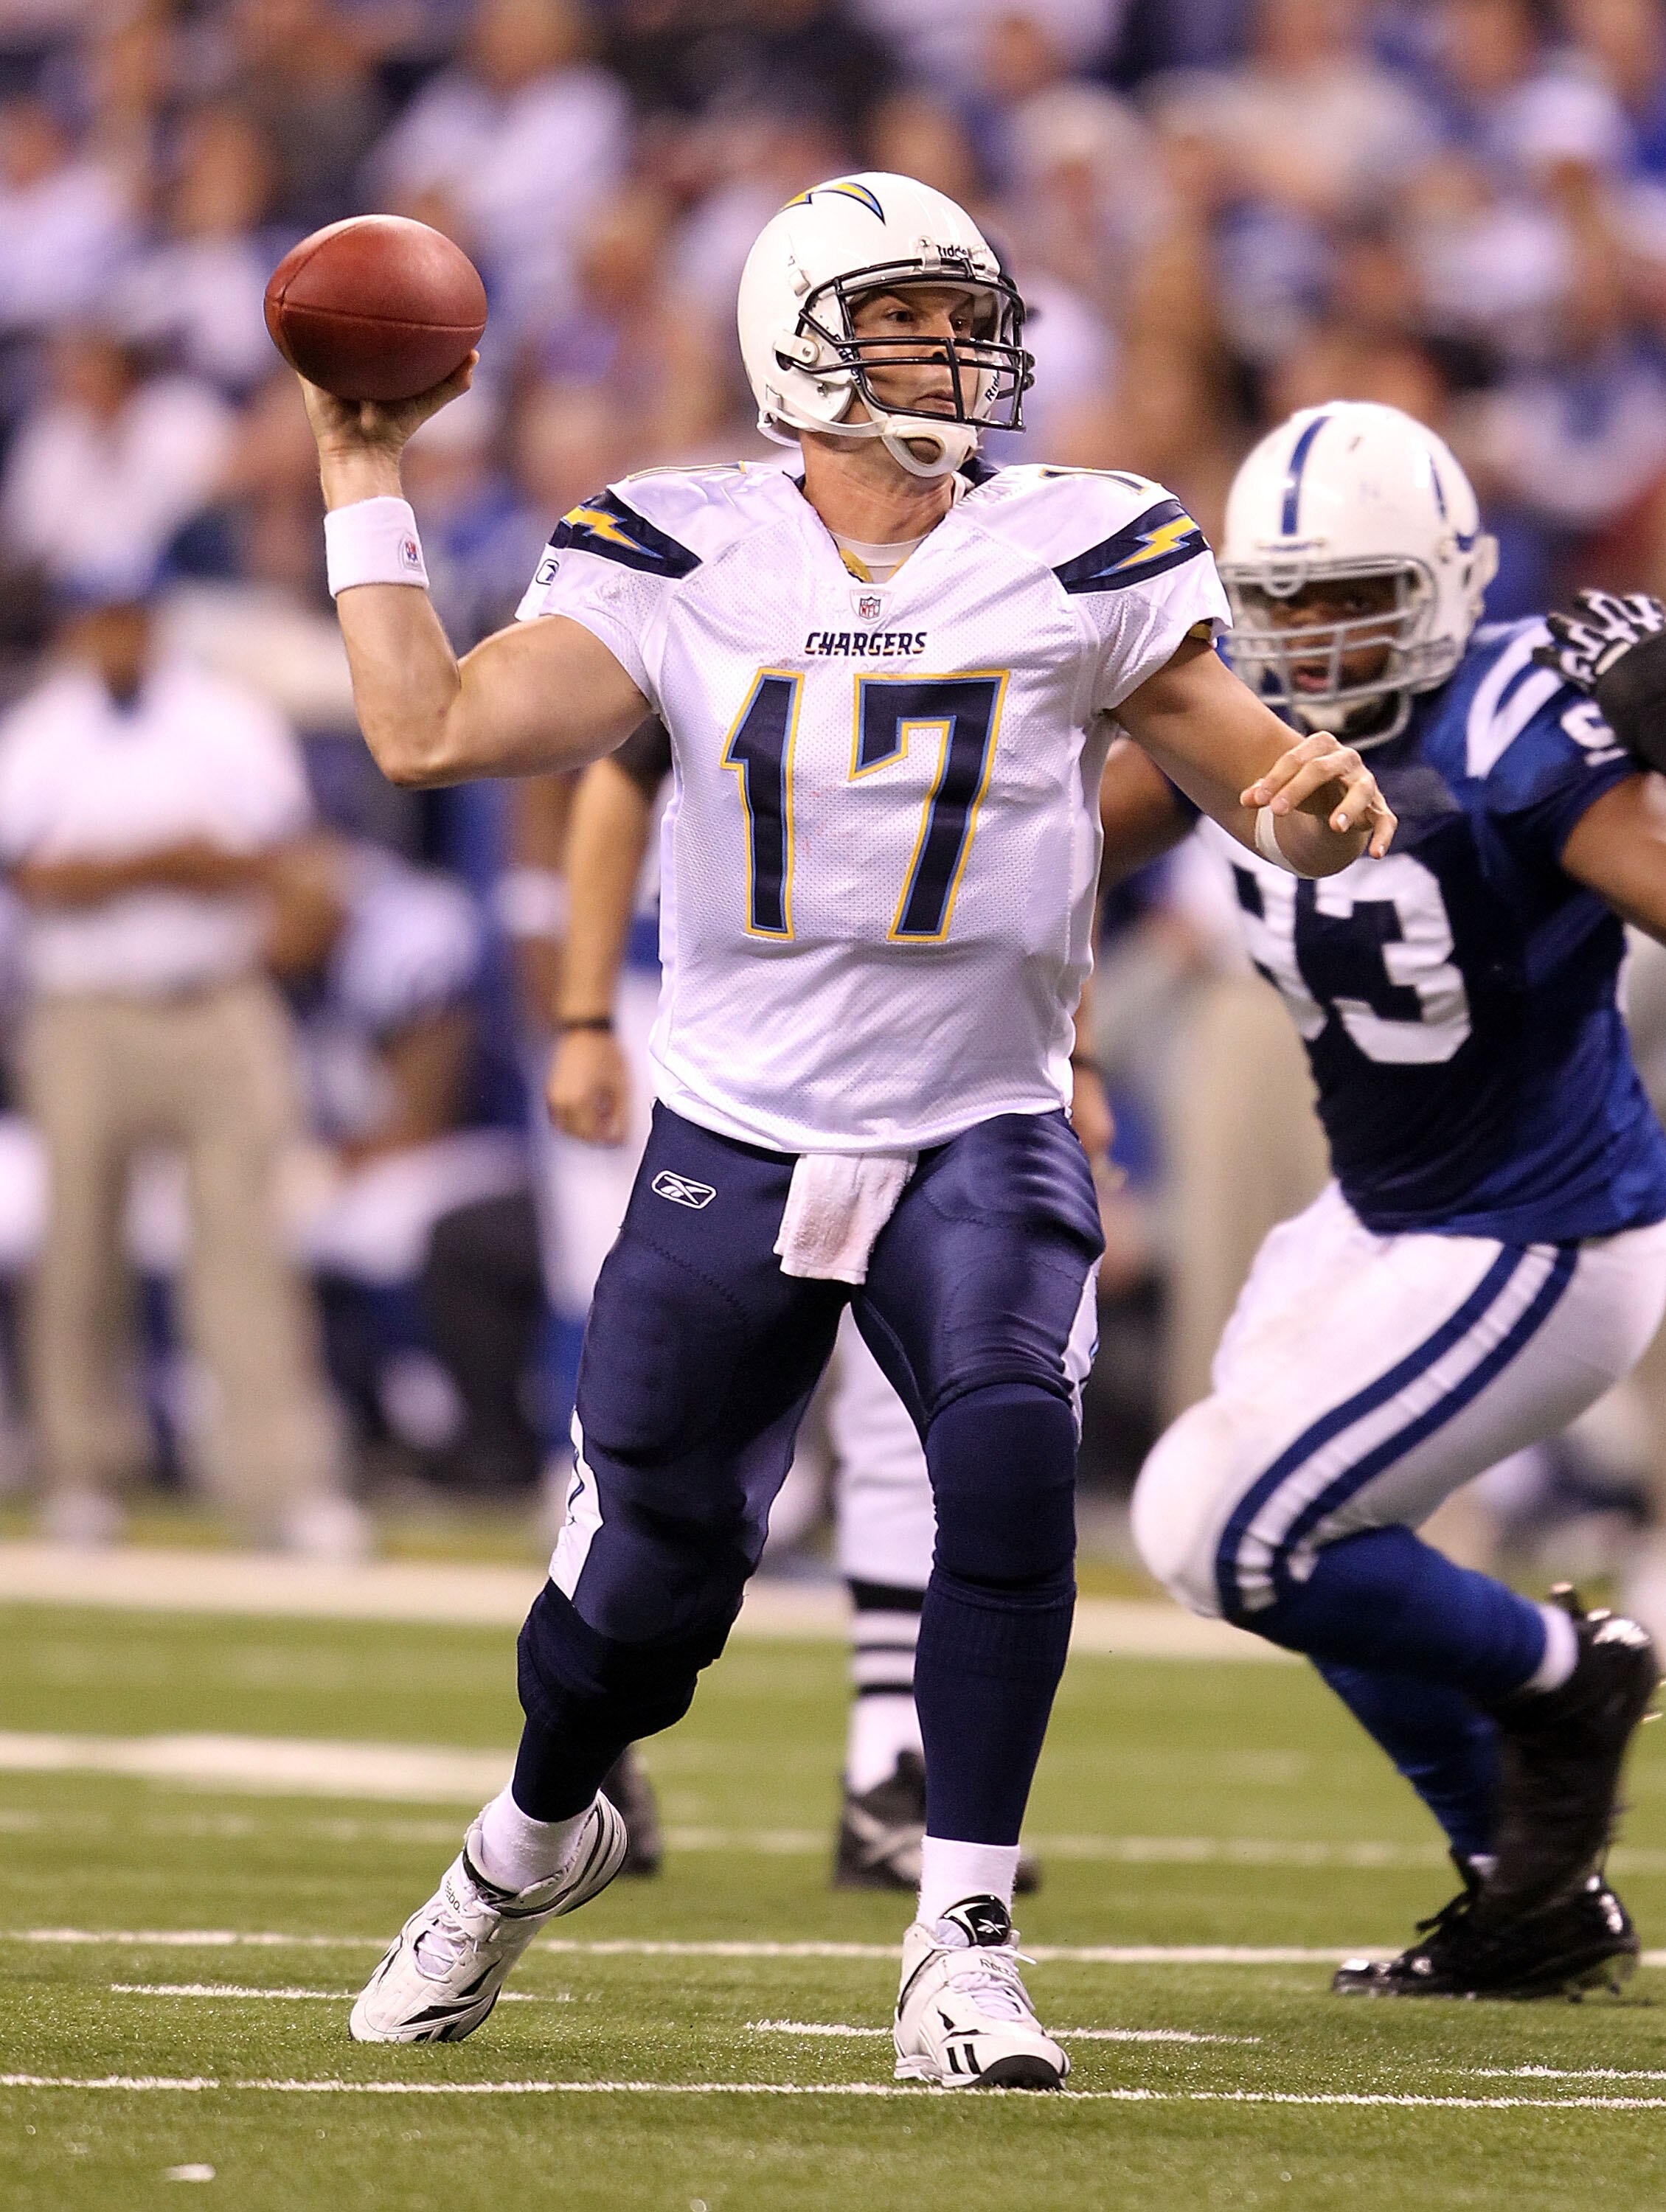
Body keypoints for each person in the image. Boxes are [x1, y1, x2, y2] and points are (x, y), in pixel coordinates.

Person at [296, 170, 1391, 2088]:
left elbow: (1244, 779)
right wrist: (360, 474)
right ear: (798, 345)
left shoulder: (1078, 545)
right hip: (739, 1130)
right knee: (641, 1594)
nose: (953, 354)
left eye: (963, 316)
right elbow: (426, 732)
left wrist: (1311, 809)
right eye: (904, 320)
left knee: (1002, 1452)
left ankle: (958, 1937)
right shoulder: (679, 547)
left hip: (981, 1121)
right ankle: (525, 1839)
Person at [1125, 400, 1666, 1999]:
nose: (1306, 631)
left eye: (1347, 594)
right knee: (1202, 1522)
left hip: (1540, 1236)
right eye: (1277, 598)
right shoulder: (1220, 710)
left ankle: (1570, 1679)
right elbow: (1037, 852)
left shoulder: (1517, 726)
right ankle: (1523, 1899)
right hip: (1374, 1221)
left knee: (1250, 1530)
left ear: (1443, 579)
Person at [544, 720, 1113, 1889]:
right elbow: (617, 770)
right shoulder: (745, 574)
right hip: (734, 1063)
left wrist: (1072, 1053)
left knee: (943, 1411)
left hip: (946, 1074)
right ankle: (588, 1743)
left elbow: (1048, 845)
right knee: (656, 1415)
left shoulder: (1008, 586)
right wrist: (585, 1014)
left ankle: (889, 1760)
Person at [0, 577, 354, 1553]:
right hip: (85, 1010)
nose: (114, 633)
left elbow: (288, 858)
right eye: (97, 614)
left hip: (214, 1000)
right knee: (77, 1251)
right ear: (78, 626)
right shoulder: (40, 730)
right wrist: (174, 863)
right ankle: (82, 1471)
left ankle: (280, 1480)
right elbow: (33, 875)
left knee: (247, 1251)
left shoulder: (227, 720)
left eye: (128, 613)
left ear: (151, 619)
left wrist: (136, 871)